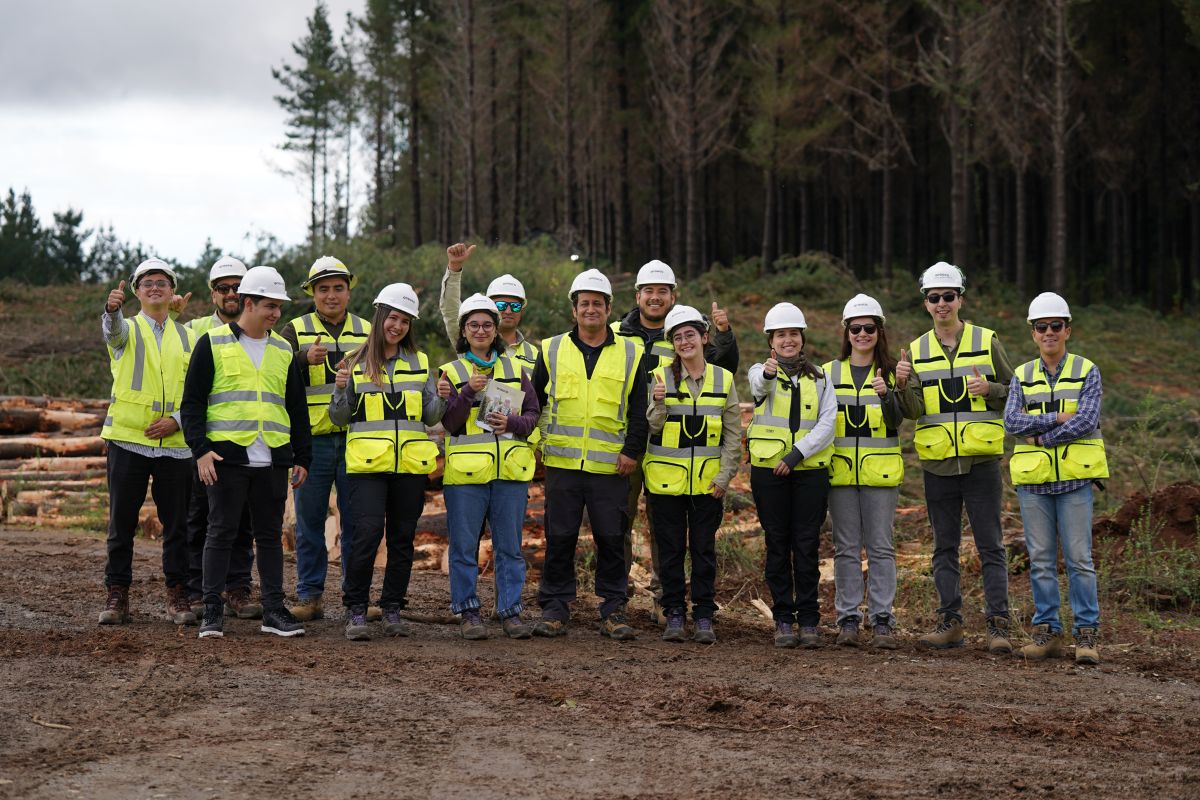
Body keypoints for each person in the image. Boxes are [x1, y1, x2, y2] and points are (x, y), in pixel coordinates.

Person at [180, 266, 312, 639]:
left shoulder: (283, 350)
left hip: (272, 458)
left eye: (279, 307)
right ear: (248, 303)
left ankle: (274, 611)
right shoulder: (213, 343)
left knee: (269, 536)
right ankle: (211, 610)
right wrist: (201, 451)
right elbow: (192, 403)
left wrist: (302, 457)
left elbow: (296, 407)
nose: (276, 313)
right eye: (270, 306)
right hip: (226, 458)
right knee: (220, 532)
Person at [896, 262, 1014, 654]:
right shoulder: (916, 350)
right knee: (943, 548)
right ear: (926, 303)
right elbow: (913, 411)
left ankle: (998, 626)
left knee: (991, 546)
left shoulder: (986, 339)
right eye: (935, 297)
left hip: (981, 462)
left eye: (948, 296)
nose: (942, 303)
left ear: (960, 299)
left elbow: (1016, 391)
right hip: (938, 464)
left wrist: (991, 388)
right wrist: (901, 384)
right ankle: (950, 624)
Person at [613, 259, 739, 625]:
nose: (655, 297)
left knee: (665, 530)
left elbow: (721, 366)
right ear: (637, 295)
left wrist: (724, 333)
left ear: (673, 296)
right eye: (648, 291)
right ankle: (617, 597)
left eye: (662, 291)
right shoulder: (616, 333)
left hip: (667, 453)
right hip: (625, 440)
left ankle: (664, 601)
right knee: (618, 523)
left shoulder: (686, 333)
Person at [531, 268, 648, 640]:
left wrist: (631, 451)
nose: (591, 309)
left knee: (612, 538)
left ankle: (613, 609)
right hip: (562, 464)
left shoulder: (631, 352)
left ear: (609, 308)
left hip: (610, 465)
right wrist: (537, 444)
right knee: (559, 537)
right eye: (584, 303)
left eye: (598, 303)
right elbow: (534, 402)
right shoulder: (551, 349)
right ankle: (555, 608)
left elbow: (639, 409)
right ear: (574, 309)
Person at [329, 283, 446, 641]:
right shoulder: (354, 362)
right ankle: (356, 609)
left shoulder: (420, 362)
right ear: (380, 317)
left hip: (408, 466)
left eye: (405, 321)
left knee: (401, 539)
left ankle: (392, 608)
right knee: (366, 535)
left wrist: (441, 396)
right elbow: (339, 418)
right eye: (393, 318)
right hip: (367, 467)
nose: (398, 326)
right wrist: (339, 388)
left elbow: (431, 416)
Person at [1005, 292, 1106, 665]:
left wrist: (1041, 437)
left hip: (1075, 482)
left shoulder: (1087, 370)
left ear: (1067, 330)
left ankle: (1086, 635)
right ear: (1033, 333)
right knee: (1041, 560)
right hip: (1034, 483)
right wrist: (1057, 417)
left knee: (1079, 560)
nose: (1048, 332)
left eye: (1055, 326)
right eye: (1041, 326)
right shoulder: (1022, 374)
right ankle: (1047, 631)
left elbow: (1087, 420)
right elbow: (1011, 422)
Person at [98, 259, 197, 626]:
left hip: (176, 444)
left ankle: (177, 593)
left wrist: (177, 421)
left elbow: (197, 391)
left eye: (162, 282)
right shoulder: (127, 329)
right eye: (147, 283)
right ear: (137, 292)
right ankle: (117, 594)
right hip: (128, 440)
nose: (155, 287)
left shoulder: (188, 337)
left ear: (172, 292)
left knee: (178, 527)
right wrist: (111, 310)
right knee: (121, 524)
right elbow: (113, 332)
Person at [437, 293, 541, 640]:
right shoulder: (451, 372)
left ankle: (510, 613)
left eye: (486, 325)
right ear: (464, 331)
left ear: (496, 330)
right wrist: (467, 391)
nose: (480, 330)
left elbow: (533, 414)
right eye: (473, 325)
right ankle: (468, 612)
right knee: (464, 548)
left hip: (509, 473)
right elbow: (449, 423)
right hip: (465, 476)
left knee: (510, 548)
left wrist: (513, 423)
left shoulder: (515, 369)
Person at [280, 256, 371, 623]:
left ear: (348, 291)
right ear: (312, 293)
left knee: (356, 525)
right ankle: (309, 596)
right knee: (309, 524)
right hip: (311, 443)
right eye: (323, 289)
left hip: (357, 440)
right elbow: (273, 372)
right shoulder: (295, 329)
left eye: (338, 288)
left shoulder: (367, 330)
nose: (331, 295)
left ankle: (355, 600)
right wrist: (302, 358)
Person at [644, 305, 743, 644]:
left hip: (707, 484)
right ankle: (674, 612)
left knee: (703, 551)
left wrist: (724, 477)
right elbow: (652, 427)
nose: (684, 342)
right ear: (672, 344)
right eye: (678, 337)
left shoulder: (723, 379)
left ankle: (703, 615)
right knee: (670, 551)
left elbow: (733, 434)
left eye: (690, 335)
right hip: (664, 483)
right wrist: (658, 403)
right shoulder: (660, 377)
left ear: (704, 337)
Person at [746, 302, 836, 648]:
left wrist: (797, 454)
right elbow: (759, 387)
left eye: (793, 334)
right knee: (778, 545)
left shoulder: (821, 378)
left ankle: (809, 620)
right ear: (771, 340)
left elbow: (828, 423)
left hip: (809, 472)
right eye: (781, 334)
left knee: (807, 545)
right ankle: (783, 619)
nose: (788, 340)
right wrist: (769, 374)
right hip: (769, 473)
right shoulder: (761, 371)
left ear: (802, 337)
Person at [823, 294, 905, 650]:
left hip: (880, 475)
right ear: (846, 332)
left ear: (879, 331)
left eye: (868, 328)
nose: (862, 334)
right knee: (846, 549)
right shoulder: (828, 373)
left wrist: (888, 394)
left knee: (881, 548)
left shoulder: (893, 372)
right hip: (840, 475)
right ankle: (848, 620)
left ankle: (882, 620)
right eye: (855, 328)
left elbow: (899, 420)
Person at [182, 255, 259, 620]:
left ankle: (238, 588)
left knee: (243, 520)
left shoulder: (260, 331)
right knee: (200, 518)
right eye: (223, 288)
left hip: (246, 442)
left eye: (237, 287)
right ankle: (198, 590)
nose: (231, 293)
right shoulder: (193, 330)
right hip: (206, 442)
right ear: (212, 294)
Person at [439, 242, 538, 374]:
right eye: (501, 305)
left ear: (522, 310)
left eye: (515, 306)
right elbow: (450, 309)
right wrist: (454, 269)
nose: (508, 311)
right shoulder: (473, 340)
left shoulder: (534, 354)